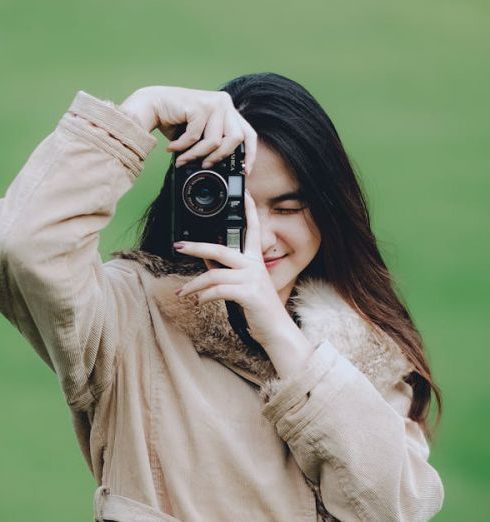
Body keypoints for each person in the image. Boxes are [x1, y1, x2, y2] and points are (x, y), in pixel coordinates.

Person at [0, 72, 444, 521]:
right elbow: (25, 245)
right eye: (238, 207)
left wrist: (278, 334)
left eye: (288, 208)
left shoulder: (366, 352)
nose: (262, 237)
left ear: (330, 209)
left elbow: (398, 509)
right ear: (197, 203)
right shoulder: (130, 315)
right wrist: (141, 110)